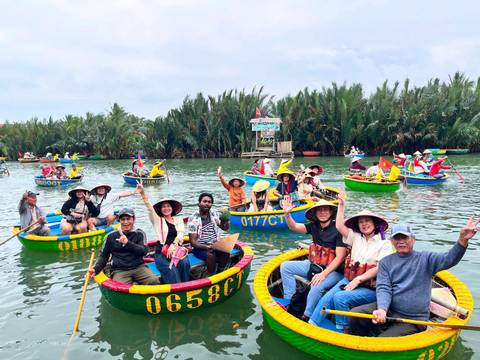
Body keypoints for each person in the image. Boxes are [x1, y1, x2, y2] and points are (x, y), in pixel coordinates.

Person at [349, 218, 479, 337]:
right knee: (355, 315)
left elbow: (449, 259)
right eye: (397, 238)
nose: (401, 241)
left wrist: (462, 241)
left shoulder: (426, 259)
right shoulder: (385, 262)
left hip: (413, 319)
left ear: (413, 239)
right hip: (390, 310)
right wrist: (382, 309)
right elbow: (384, 288)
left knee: (384, 339)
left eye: (404, 237)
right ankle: (359, 343)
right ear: (392, 241)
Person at [308, 191, 393, 332]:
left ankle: (343, 331)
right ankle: (312, 324)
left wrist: (358, 280)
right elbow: (339, 226)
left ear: (374, 223)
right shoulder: (356, 238)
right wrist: (342, 205)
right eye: (361, 222)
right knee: (327, 298)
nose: (364, 224)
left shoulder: (384, 244)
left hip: (370, 287)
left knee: (340, 297)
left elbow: (379, 268)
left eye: (367, 221)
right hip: (350, 279)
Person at [280, 197, 347, 321]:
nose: (323, 212)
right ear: (315, 213)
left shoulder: (338, 230)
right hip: (314, 265)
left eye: (325, 210)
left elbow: (340, 257)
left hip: (333, 271)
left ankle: (307, 316)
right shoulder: (314, 226)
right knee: (285, 267)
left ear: (331, 212)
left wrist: (323, 274)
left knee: (315, 287)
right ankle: (289, 302)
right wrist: (287, 214)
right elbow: (293, 227)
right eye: (319, 210)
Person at [89, 207, 160, 285]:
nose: (126, 222)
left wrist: (127, 243)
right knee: (120, 287)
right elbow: (104, 256)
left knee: (154, 281)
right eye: (123, 219)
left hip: (139, 267)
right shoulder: (111, 236)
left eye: (128, 219)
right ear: (119, 221)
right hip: (120, 270)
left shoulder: (140, 233)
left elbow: (144, 251)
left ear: (134, 219)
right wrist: (96, 269)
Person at [138, 184, 190, 284]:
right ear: (160, 210)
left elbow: (180, 234)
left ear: (172, 208)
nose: (166, 208)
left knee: (185, 263)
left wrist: (173, 245)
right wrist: (143, 193)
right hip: (162, 251)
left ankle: (185, 286)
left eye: (168, 206)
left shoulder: (178, 220)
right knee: (171, 271)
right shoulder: (158, 220)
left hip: (176, 249)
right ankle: (176, 290)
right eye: (164, 207)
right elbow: (149, 206)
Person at [188, 193, 230, 275]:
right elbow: (193, 242)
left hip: (215, 244)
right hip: (200, 247)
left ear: (211, 204)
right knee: (211, 254)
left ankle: (220, 272)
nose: (207, 203)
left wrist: (225, 220)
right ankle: (212, 274)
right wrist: (207, 247)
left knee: (226, 251)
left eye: (209, 202)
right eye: (204, 201)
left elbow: (224, 228)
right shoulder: (193, 218)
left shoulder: (214, 214)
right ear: (199, 203)